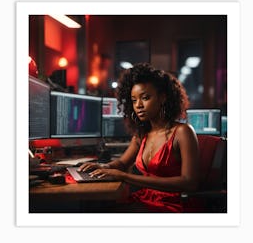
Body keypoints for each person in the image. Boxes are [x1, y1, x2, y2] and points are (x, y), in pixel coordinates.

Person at [78, 62, 200, 212]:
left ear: (162, 98)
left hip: (171, 205)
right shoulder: (142, 134)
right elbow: (123, 163)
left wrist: (125, 176)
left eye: (145, 98)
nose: (138, 105)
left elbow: (189, 183)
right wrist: (104, 167)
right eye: (134, 100)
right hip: (144, 199)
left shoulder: (183, 132)